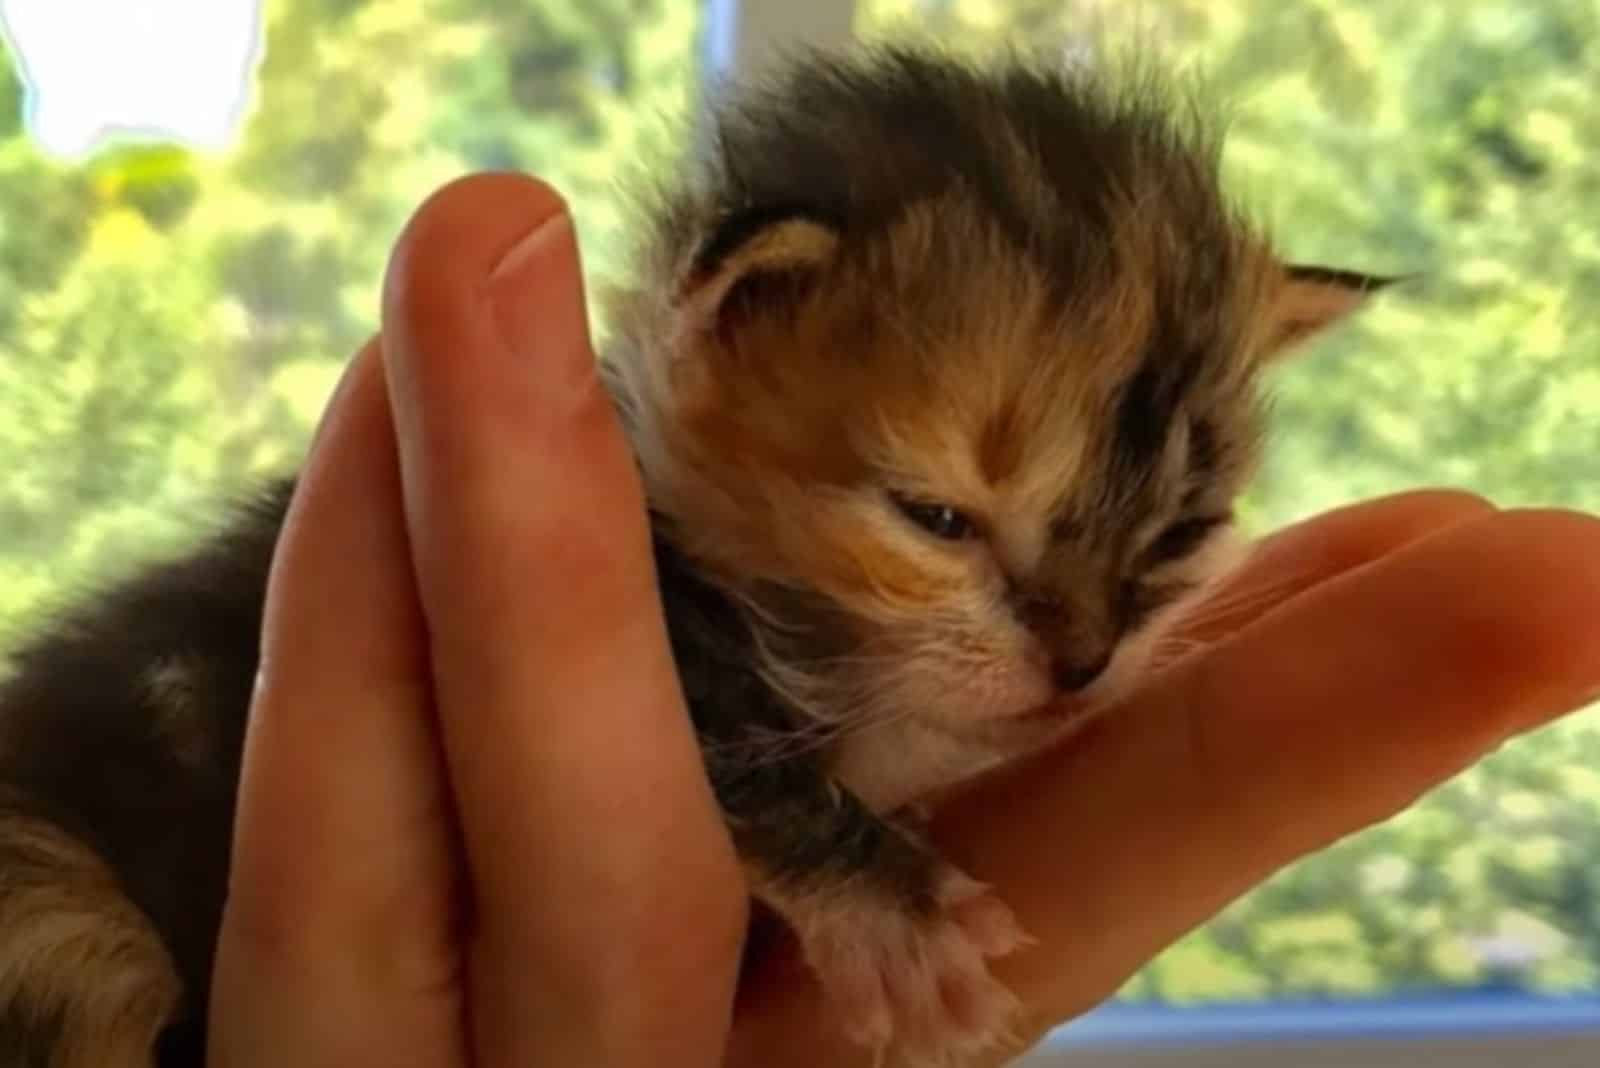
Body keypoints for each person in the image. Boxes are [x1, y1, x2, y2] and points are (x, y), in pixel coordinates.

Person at [204, 172, 1600, 1068]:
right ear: (728, 325)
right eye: (940, 522)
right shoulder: (628, 542)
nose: (1079, 651)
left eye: (1170, 540)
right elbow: (690, 695)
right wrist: (844, 870)